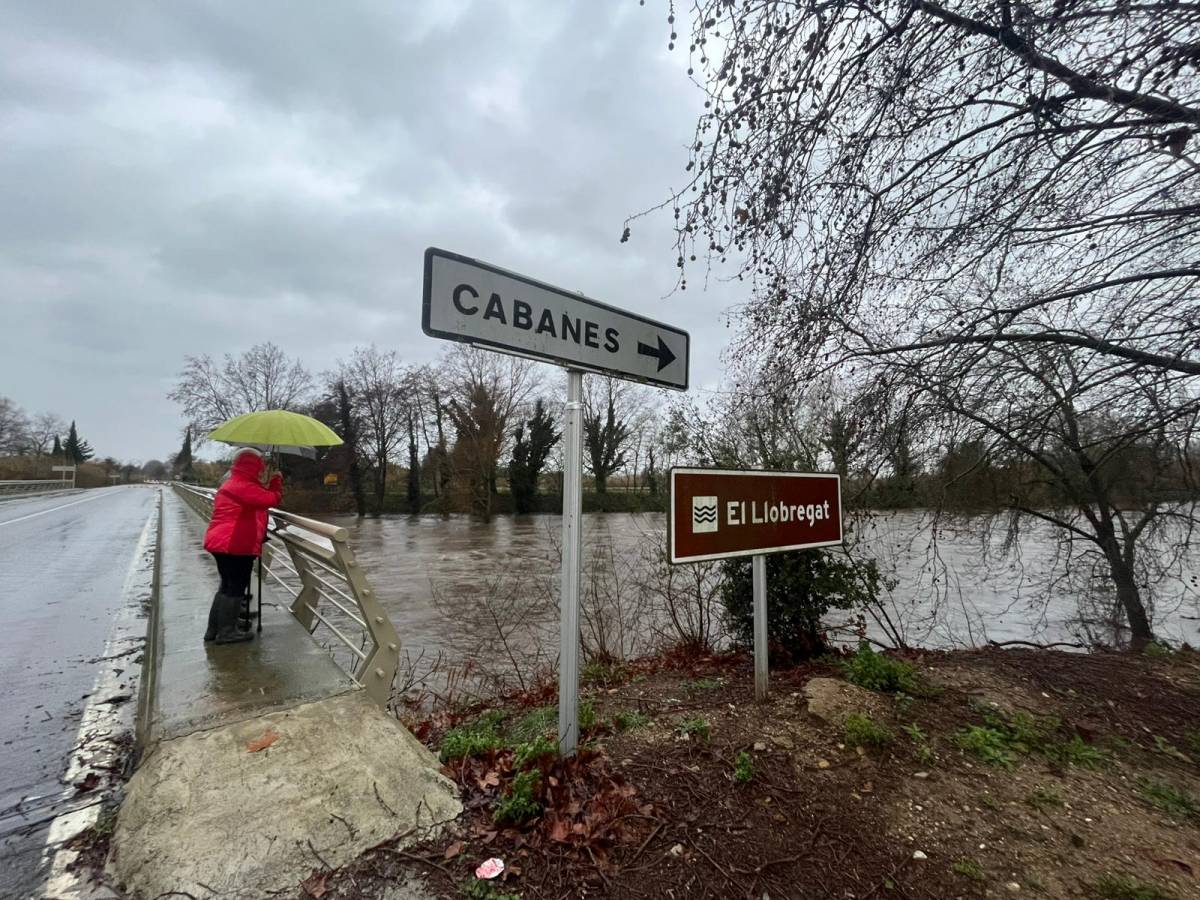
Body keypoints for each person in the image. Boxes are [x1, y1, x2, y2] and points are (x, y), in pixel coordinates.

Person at [202, 447, 283, 644]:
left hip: (221, 542)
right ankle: (227, 632)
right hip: (235, 544)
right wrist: (276, 481)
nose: (262, 469)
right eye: (260, 466)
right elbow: (271, 499)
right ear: (253, 467)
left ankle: (215, 629)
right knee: (235, 587)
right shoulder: (244, 486)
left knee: (226, 585)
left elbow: (254, 500)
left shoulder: (233, 483)